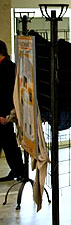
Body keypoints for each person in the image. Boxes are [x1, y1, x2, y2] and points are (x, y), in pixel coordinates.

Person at [0, 40, 24, 181]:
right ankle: (17, 170)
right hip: (4, 113)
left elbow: (7, 93)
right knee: (9, 143)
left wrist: (4, 114)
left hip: (6, 113)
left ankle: (18, 170)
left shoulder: (8, 67)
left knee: (9, 143)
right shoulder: (6, 66)